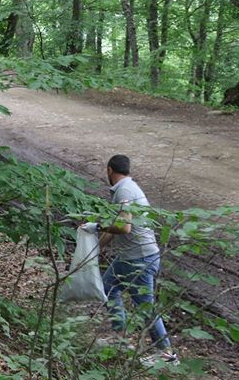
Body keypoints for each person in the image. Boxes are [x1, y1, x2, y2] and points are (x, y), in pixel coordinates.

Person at [81, 154, 179, 366]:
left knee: (145, 307)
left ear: (109, 170)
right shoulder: (126, 188)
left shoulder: (124, 191)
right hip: (129, 257)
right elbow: (115, 227)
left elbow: (124, 228)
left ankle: (167, 354)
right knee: (108, 288)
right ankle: (120, 339)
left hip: (140, 258)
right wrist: (94, 250)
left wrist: (96, 226)